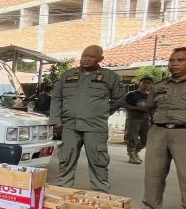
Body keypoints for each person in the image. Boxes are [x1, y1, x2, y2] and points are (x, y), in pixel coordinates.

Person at [49, 45, 123, 192]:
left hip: (95, 127)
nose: (87, 58)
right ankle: (62, 192)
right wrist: (56, 119)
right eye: (84, 55)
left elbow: (118, 100)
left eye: (92, 56)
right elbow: (57, 98)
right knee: (66, 159)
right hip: (70, 126)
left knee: (98, 161)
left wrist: (101, 113)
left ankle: (100, 194)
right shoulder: (67, 75)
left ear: (100, 59)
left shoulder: (110, 77)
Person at [143, 48, 186, 209]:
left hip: (183, 133)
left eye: (180, 60)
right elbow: (150, 107)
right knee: (153, 174)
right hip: (158, 132)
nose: (174, 63)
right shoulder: (159, 86)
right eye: (172, 60)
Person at [122, 76, 153, 164]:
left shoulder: (150, 96)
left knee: (146, 139)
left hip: (146, 119)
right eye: (144, 82)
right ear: (140, 83)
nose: (146, 85)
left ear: (151, 85)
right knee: (132, 137)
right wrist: (137, 108)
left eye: (148, 83)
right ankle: (131, 155)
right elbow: (124, 105)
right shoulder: (132, 94)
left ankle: (136, 152)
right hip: (133, 118)